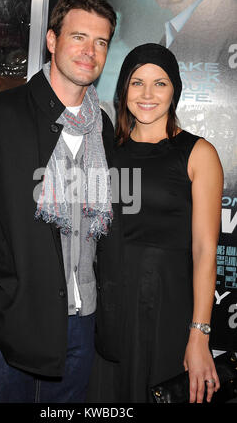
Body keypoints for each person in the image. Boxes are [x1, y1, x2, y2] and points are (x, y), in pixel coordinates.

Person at [0, 0, 116, 403]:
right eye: (79, 37)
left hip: (81, 320)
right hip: (10, 319)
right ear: (52, 40)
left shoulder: (101, 128)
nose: (89, 51)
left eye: (101, 42)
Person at [91, 43, 223, 403]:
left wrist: (199, 334)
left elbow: (204, 251)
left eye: (160, 83)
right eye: (137, 83)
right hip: (109, 310)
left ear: (175, 90)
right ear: (123, 91)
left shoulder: (198, 153)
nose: (147, 94)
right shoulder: (104, 153)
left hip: (168, 310)